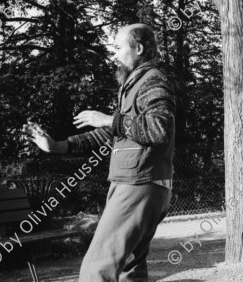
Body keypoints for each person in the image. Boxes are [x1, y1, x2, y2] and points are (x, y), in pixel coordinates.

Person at [27, 23, 175, 282]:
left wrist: (109, 119)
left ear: (138, 48)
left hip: (138, 183)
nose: (114, 55)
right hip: (140, 183)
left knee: (97, 268)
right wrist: (58, 145)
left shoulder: (152, 80)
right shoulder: (133, 85)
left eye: (119, 47)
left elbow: (158, 128)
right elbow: (112, 132)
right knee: (130, 267)